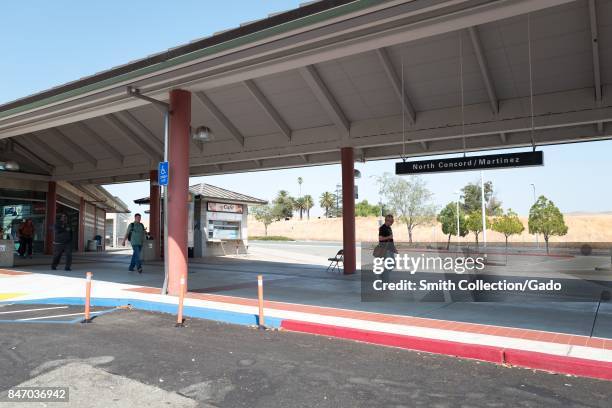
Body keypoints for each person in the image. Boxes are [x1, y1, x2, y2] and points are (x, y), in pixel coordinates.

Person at [378, 214, 397, 283]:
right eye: (391, 221)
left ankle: (382, 275)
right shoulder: (382, 228)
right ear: (387, 220)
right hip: (385, 249)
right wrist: (389, 237)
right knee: (389, 265)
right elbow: (380, 238)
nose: (392, 222)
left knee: (393, 264)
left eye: (393, 221)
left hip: (390, 249)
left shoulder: (389, 227)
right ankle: (385, 282)